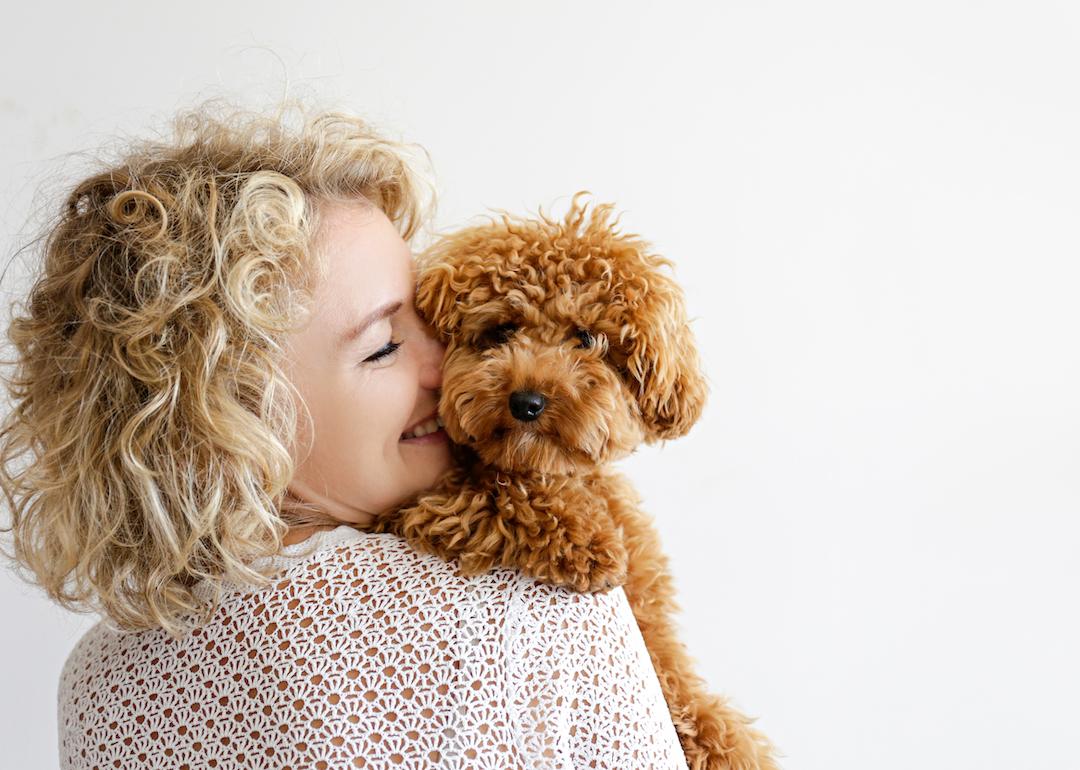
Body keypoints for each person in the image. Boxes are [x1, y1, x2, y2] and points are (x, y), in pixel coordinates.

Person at [0, 98, 691, 769]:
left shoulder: (97, 686)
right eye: (385, 345)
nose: (447, 366)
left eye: (435, 322)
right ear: (234, 419)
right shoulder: (533, 604)